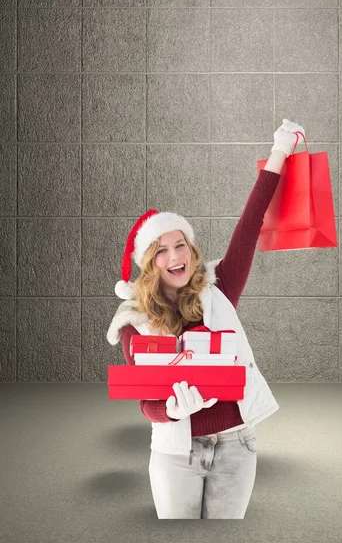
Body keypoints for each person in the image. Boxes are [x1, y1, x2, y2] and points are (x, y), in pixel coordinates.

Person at [107, 119, 306, 519]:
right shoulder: (134, 321)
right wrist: (173, 412)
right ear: (148, 264)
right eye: (161, 251)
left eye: (180, 244)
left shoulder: (220, 288)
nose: (175, 255)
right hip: (174, 453)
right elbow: (147, 402)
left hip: (236, 445)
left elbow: (249, 226)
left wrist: (280, 150)